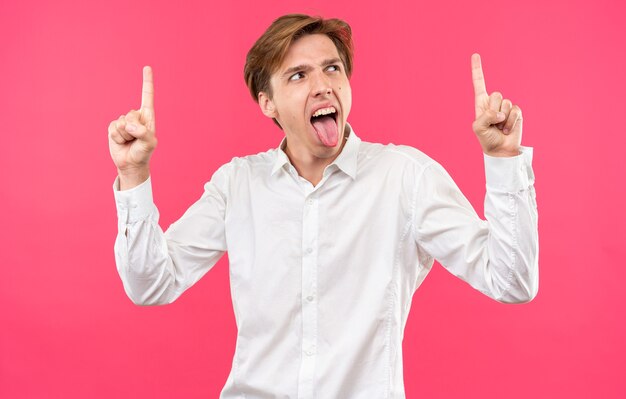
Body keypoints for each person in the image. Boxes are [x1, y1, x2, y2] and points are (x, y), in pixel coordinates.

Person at [108, 13, 538, 399]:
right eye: (297, 76)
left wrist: (503, 161)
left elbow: (512, 282)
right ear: (267, 102)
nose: (322, 86)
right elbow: (151, 285)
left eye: (332, 68)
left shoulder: (405, 178)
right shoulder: (237, 185)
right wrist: (134, 174)